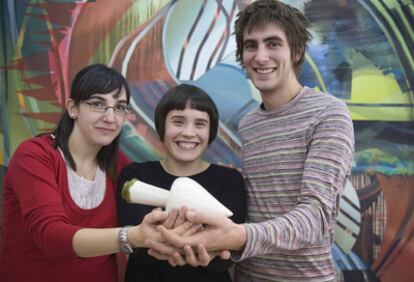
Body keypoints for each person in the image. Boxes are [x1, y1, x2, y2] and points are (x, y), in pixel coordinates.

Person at [148, 1, 355, 281]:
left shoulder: (328, 113)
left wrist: (237, 236)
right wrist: (215, 244)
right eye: (251, 46)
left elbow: (316, 216)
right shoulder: (249, 124)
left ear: (296, 51)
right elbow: (255, 210)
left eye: (273, 44)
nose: (260, 56)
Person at [0, 64, 186, 282]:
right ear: (72, 108)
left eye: (120, 107)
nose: (110, 117)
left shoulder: (119, 167)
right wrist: (132, 236)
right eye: (98, 104)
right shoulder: (34, 156)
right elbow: (51, 237)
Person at [117, 83, 247, 282]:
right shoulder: (135, 176)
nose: (188, 132)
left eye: (200, 124)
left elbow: (224, 258)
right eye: (178, 121)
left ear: (210, 132)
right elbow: (140, 252)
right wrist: (201, 235)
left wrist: (163, 232)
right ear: (161, 127)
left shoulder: (229, 180)